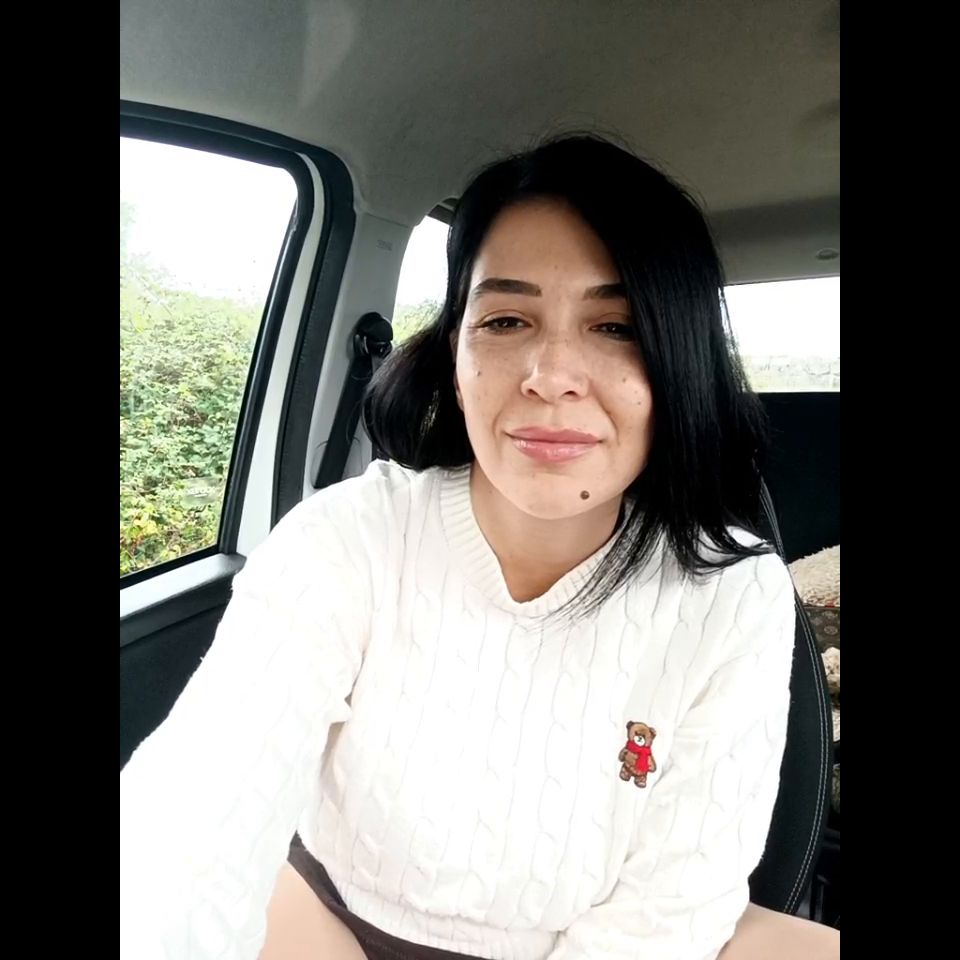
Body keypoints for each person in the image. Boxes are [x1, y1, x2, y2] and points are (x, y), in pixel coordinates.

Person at [120, 135, 840, 960]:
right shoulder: (350, 536)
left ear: (680, 364)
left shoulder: (731, 590)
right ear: (455, 358)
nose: (550, 374)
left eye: (616, 326)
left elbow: (672, 904)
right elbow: (195, 810)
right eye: (505, 320)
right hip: (334, 918)